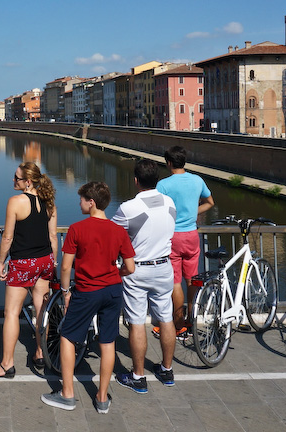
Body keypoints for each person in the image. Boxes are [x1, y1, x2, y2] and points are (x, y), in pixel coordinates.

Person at [41, 181, 135, 413]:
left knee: (67, 336)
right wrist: (115, 273)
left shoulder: (77, 229)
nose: (79, 203)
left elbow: (66, 268)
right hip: (113, 290)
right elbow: (130, 267)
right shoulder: (118, 231)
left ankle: (68, 394)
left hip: (87, 290)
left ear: (91, 202)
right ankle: (102, 398)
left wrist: (65, 292)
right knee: (108, 342)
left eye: (81, 199)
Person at [0, 161, 58, 378]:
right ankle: (40, 352)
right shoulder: (49, 202)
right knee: (41, 311)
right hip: (44, 260)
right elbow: (53, 236)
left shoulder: (15, 202)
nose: (12, 181)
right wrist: (52, 261)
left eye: (16, 178)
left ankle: (7, 364)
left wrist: (1, 261)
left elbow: (7, 236)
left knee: (12, 313)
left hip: (23, 263)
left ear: (27, 182)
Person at [112, 159, 178, 393]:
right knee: (166, 318)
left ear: (136, 180)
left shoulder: (129, 208)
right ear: (157, 180)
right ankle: (167, 370)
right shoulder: (169, 203)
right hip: (164, 267)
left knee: (137, 322)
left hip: (137, 269)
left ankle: (138, 376)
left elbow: (113, 235)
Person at [156, 145, 214, 335]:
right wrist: (191, 213)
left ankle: (178, 323)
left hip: (172, 237)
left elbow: (156, 211)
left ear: (169, 163)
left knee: (175, 282)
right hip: (191, 236)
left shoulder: (163, 185)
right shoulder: (197, 180)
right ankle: (192, 318)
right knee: (191, 280)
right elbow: (210, 203)